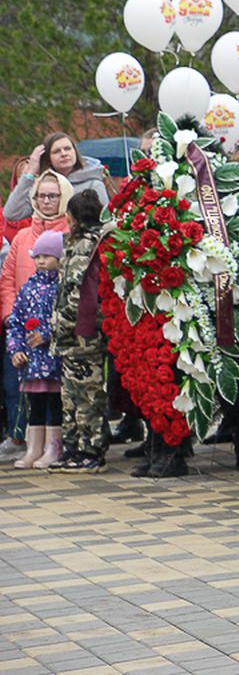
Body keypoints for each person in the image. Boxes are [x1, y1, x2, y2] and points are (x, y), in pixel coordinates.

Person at [1, 169, 72, 456]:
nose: (46, 201)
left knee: (56, 397)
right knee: (28, 393)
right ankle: (30, 446)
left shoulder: (71, 233)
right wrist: (10, 318)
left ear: (64, 196)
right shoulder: (21, 237)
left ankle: (56, 447)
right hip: (24, 332)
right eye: (41, 195)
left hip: (57, 337)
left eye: (52, 195)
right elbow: (7, 279)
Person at [48, 189, 108, 473]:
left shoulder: (92, 245)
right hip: (68, 336)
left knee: (88, 395)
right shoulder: (73, 243)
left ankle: (91, 450)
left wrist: (70, 324)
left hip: (84, 335)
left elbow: (84, 292)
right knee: (70, 396)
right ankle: (73, 447)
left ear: (73, 216)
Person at [7, 230, 65, 469]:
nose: (41, 261)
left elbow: (66, 319)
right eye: (37, 256)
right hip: (32, 362)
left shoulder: (62, 286)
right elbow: (16, 322)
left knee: (54, 402)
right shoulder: (28, 288)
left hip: (54, 360)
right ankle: (34, 448)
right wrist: (15, 349)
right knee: (35, 402)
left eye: (47, 256)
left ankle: (54, 447)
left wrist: (48, 335)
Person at [4, 133, 107, 221]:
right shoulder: (42, 188)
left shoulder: (93, 184)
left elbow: (105, 220)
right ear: (48, 158)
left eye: (67, 149)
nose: (64, 154)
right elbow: (11, 214)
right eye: (56, 151)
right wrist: (30, 172)